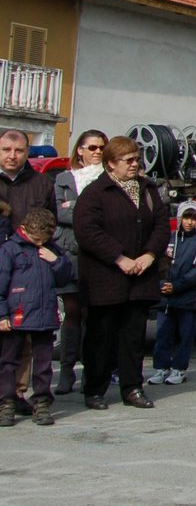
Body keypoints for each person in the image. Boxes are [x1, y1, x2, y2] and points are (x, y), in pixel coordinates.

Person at [73, 135, 169, 411]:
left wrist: (149, 254)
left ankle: (132, 387)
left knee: (133, 336)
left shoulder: (147, 189)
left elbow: (161, 224)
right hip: (106, 278)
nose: (134, 164)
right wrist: (119, 258)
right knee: (101, 337)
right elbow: (87, 231)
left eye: (136, 159)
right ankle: (95, 388)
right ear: (111, 164)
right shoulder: (96, 193)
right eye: (128, 160)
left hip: (140, 277)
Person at [0, 208, 75, 426]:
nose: (39, 243)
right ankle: (6, 403)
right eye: (35, 239)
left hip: (44, 315)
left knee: (43, 364)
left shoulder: (52, 249)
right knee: (7, 363)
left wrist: (56, 261)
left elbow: (66, 278)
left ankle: (41, 402)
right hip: (16, 316)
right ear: (24, 229)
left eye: (44, 239)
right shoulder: (9, 250)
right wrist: (2, 314)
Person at [50, 129, 105, 395]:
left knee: (93, 315)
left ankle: (91, 374)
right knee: (72, 313)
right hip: (69, 255)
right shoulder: (64, 178)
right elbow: (60, 212)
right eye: (92, 147)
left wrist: (77, 209)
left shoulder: (108, 180)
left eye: (101, 148)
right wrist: (90, 213)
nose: (97, 152)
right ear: (80, 150)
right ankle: (66, 371)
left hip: (98, 258)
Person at [146, 201, 196, 387]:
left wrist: (177, 286)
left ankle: (179, 369)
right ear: (179, 218)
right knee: (163, 334)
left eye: (193, 218)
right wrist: (162, 284)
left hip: (188, 298)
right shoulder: (169, 238)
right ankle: (161, 368)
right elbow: (157, 264)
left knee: (185, 336)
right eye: (186, 217)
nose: (189, 222)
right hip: (165, 298)